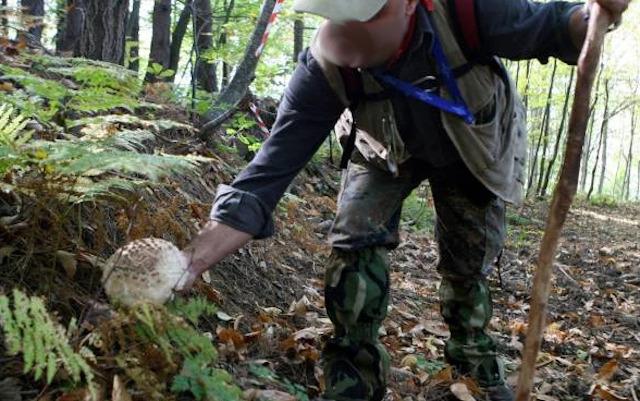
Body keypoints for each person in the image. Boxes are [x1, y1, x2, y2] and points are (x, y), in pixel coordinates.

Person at [178, 0, 629, 400]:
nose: (344, 31)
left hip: (471, 148)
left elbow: (552, 24)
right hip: (383, 149)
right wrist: (193, 260)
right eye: (331, 16)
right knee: (353, 242)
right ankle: (353, 377)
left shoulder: (471, 10)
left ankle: (475, 369)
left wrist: (591, 17)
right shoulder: (321, 69)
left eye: (365, 14)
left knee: (467, 265)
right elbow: (266, 176)